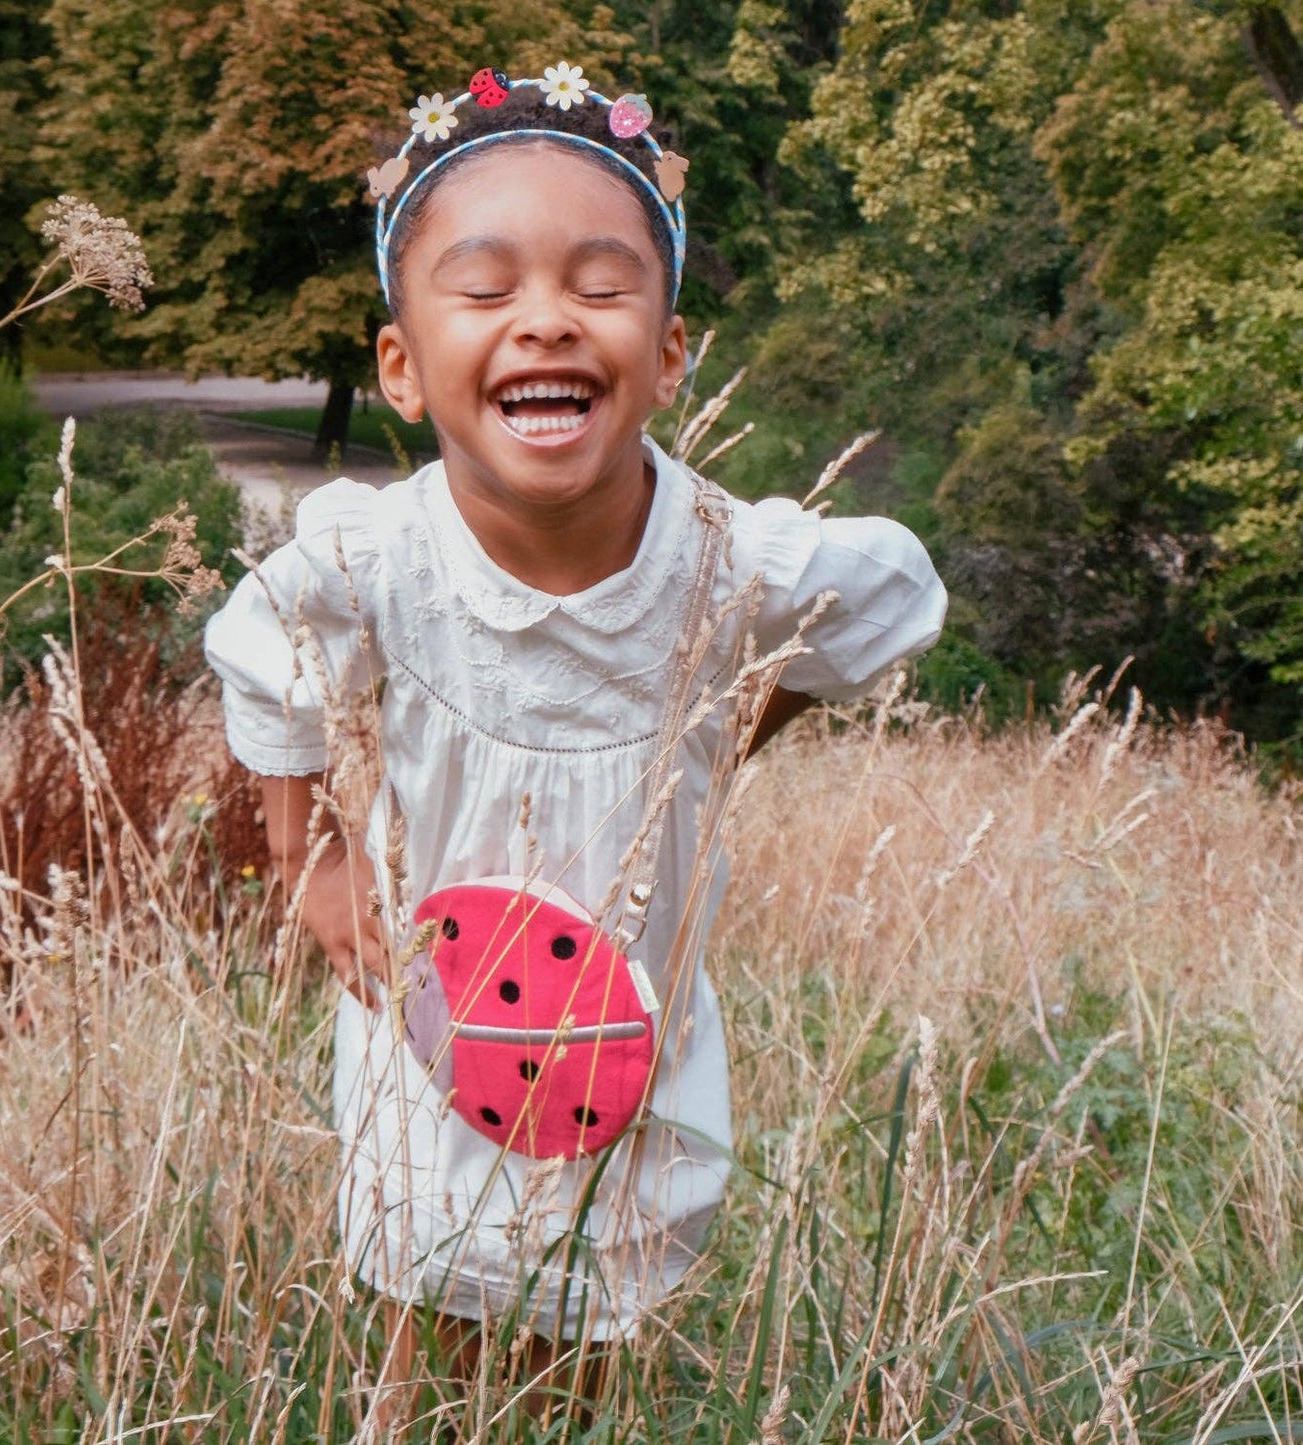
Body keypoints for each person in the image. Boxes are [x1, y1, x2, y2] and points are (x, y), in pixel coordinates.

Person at [204, 65, 946, 1430]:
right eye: (485, 289)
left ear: (666, 354)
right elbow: (264, 654)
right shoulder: (378, 556)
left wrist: (715, 733)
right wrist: (314, 862)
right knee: (429, 1300)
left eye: (600, 287)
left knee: (590, 1326)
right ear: (402, 367)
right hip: (434, 1010)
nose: (545, 317)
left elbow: (890, 594)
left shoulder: (725, 560)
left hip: (625, 1030)